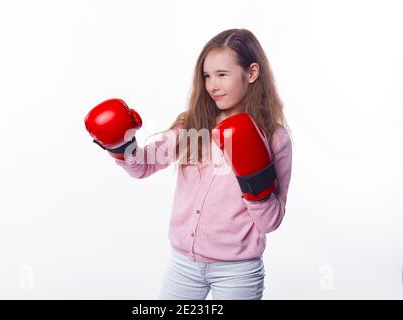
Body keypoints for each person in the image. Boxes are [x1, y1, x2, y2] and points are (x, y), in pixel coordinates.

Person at [84, 28, 292, 300]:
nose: (212, 86)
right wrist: (121, 144)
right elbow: (143, 165)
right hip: (183, 265)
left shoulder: (275, 137)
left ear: (252, 73)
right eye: (207, 76)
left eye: (222, 75)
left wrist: (255, 179)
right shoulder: (194, 125)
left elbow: (270, 221)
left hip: (237, 270)